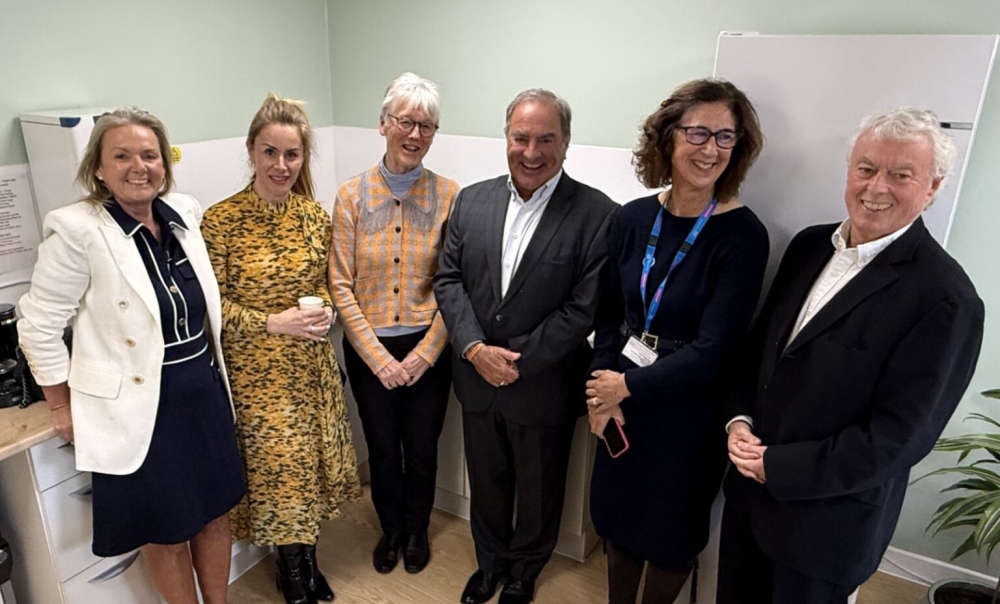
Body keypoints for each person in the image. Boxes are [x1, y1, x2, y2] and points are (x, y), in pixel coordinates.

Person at [719, 108, 985, 604]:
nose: (876, 187)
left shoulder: (947, 299)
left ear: (932, 187)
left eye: (901, 175)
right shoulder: (808, 246)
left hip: (825, 530)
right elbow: (758, 353)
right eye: (866, 168)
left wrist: (778, 466)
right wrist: (738, 420)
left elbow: (899, 438)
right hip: (747, 504)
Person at [17, 108, 245, 604]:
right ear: (98, 168)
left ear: (165, 164)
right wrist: (59, 403)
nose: (138, 167)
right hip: (140, 410)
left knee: (215, 515)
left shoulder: (183, 213)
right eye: (121, 156)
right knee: (166, 532)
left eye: (149, 155)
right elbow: (37, 324)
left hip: (202, 395)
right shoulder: (78, 230)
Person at [584, 78, 769, 603]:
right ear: (668, 137)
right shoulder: (631, 218)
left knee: (670, 538)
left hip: (688, 415)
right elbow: (607, 315)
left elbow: (715, 350)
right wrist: (600, 392)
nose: (711, 149)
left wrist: (625, 387)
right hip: (620, 397)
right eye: (698, 133)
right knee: (617, 521)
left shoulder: (743, 235)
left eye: (725, 137)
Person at [435, 88, 617, 604]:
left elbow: (582, 308)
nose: (531, 152)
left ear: (566, 142)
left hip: (542, 383)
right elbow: (448, 279)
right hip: (476, 377)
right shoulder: (471, 200)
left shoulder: (598, 213)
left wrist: (517, 361)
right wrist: (475, 348)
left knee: (539, 490)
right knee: (487, 482)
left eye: (546, 139)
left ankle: (524, 570)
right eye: (521, 138)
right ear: (506, 137)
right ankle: (489, 563)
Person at [202, 94, 361, 604]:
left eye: (292, 154)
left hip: (311, 369)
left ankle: (307, 561)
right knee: (278, 475)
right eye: (270, 152)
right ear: (251, 151)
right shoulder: (221, 221)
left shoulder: (314, 217)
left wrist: (328, 312)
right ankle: (291, 571)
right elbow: (211, 308)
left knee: (309, 471)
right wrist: (273, 322)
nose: (281, 165)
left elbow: (331, 285)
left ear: (303, 157)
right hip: (257, 376)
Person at [329, 72, 459, 574]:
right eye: (406, 122)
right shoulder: (351, 196)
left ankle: (418, 530)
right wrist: (378, 358)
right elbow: (341, 284)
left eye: (426, 126)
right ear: (383, 124)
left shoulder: (450, 195)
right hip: (370, 350)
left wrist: (425, 354)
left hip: (429, 347)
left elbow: (454, 284)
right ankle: (391, 531)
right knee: (383, 449)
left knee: (422, 449)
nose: (415, 134)